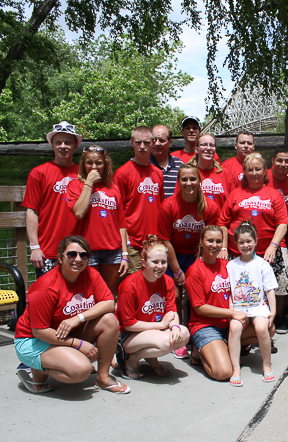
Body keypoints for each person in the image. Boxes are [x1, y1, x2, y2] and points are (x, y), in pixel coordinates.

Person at [14, 236, 130, 394]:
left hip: (64, 333)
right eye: (71, 254)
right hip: (33, 340)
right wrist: (78, 344)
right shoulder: (45, 287)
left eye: (84, 255)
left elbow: (109, 303)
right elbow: (39, 331)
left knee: (109, 320)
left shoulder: (90, 274)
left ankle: (103, 377)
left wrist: (78, 318)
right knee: (81, 370)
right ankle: (38, 370)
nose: (78, 259)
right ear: (61, 257)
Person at [186, 225, 273, 381]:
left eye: (218, 241)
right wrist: (232, 312)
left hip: (227, 323)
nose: (214, 245)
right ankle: (198, 352)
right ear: (201, 242)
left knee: (268, 328)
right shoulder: (195, 271)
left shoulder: (226, 265)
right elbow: (199, 308)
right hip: (206, 326)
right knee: (223, 373)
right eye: (210, 241)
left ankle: (222, 349)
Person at [159, 164, 222, 360]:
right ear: (178, 182)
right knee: (176, 294)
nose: (188, 183)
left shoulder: (209, 206)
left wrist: (197, 265)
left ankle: (197, 332)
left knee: (198, 293)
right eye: (184, 179)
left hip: (197, 254)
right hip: (174, 254)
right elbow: (165, 240)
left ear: (199, 181)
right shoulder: (169, 205)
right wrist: (177, 271)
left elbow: (209, 237)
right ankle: (178, 335)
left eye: (192, 179)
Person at [115, 235, 190, 379]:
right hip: (127, 335)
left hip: (152, 328)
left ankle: (149, 358)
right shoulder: (129, 285)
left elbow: (171, 311)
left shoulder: (167, 281)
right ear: (143, 262)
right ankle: (130, 359)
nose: (160, 266)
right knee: (166, 343)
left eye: (163, 262)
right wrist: (161, 325)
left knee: (183, 333)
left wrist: (174, 327)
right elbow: (128, 324)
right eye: (154, 262)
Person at [66, 145, 128, 297]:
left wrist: (125, 254)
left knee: (109, 294)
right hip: (87, 250)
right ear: (83, 164)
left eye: (98, 163)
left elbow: (121, 223)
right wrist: (89, 183)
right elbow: (79, 212)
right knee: (88, 294)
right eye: (89, 163)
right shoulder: (75, 185)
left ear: (105, 164)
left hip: (112, 251)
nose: (94, 167)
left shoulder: (113, 188)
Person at [23, 121, 81, 277]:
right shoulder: (38, 173)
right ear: (52, 145)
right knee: (47, 297)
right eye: (59, 142)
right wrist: (35, 247)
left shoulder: (83, 174)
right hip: (48, 251)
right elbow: (32, 211)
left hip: (77, 252)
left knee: (76, 298)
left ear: (76, 145)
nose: (63, 146)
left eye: (68, 142)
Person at [227, 222, 278, 385]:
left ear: (256, 241)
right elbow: (229, 290)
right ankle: (235, 368)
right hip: (239, 308)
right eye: (241, 242)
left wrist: (273, 311)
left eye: (249, 241)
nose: (245, 245)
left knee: (262, 328)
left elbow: (269, 289)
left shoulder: (262, 264)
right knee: (235, 328)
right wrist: (230, 308)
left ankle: (267, 365)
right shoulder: (231, 265)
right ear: (235, 244)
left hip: (258, 306)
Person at [220, 152, 288, 264]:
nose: (254, 173)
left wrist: (273, 246)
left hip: (268, 253)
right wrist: (223, 247)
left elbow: (282, 224)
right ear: (245, 173)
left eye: (258, 169)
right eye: (250, 170)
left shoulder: (275, 194)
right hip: (237, 253)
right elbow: (223, 223)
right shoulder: (235, 194)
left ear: (265, 171)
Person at [114, 126, 164, 274]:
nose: (142, 146)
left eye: (146, 143)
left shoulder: (157, 173)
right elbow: (117, 209)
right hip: (132, 242)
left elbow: (160, 207)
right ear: (132, 143)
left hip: (154, 241)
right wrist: (125, 240)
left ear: (153, 143)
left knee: (153, 283)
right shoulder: (122, 173)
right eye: (138, 142)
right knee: (133, 284)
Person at [267, 146, 288, 334]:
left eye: (287, 161)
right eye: (280, 160)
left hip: (284, 238)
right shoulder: (263, 179)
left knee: (282, 281)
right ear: (272, 161)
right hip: (263, 235)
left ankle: (280, 316)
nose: (283, 164)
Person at [188, 133, 234, 210]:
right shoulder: (189, 173)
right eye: (204, 144)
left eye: (212, 145)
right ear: (196, 149)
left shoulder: (225, 173)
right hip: (197, 221)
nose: (208, 148)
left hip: (219, 221)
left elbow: (232, 202)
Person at [150, 124, 184, 199]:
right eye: (154, 140)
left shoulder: (180, 166)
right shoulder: (142, 164)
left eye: (161, 140)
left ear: (170, 142)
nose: (157, 143)